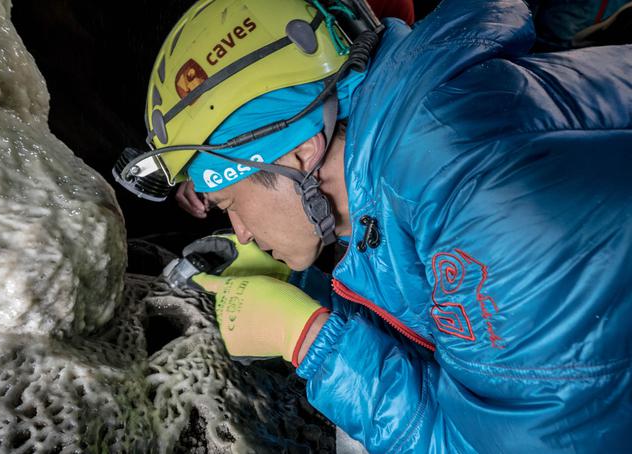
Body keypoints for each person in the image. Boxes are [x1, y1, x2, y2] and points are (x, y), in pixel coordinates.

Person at [116, 0, 632, 451]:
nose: (242, 232)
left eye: (229, 201)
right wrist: (300, 287)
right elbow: (432, 301)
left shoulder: (483, 199)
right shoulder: (408, 142)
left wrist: (306, 338)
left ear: (299, 151)